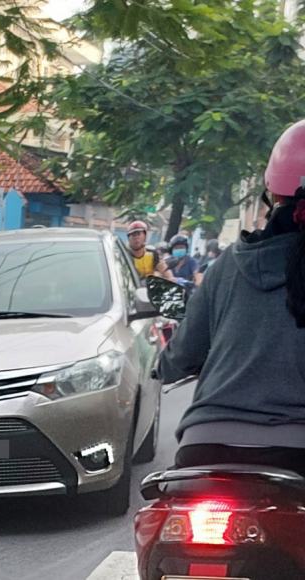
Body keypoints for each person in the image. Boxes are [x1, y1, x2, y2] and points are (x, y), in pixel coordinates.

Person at [157, 118, 305, 476]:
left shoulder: (226, 265)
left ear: (272, 194)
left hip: (205, 444)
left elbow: (184, 354)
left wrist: (164, 361)